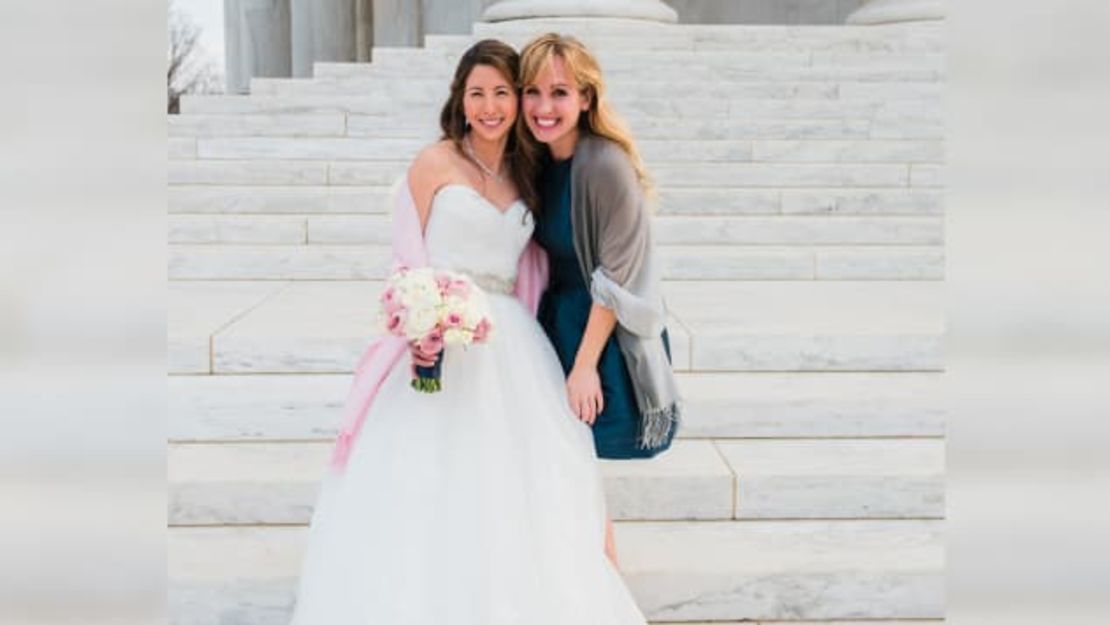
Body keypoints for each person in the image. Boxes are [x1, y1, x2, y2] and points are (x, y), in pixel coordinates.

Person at [288, 39, 648, 625]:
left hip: (513, 342)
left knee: (523, 486)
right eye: (477, 93)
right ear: (460, 99)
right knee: (426, 483)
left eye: (502, 93)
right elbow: (406, 258)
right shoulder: (433, 164)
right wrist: (419, 320)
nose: (490, 106)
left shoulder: (530, 172)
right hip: (440, 340)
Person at [519, 33, 682, 566]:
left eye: (560, 93)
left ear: (586, 98)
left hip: (598, 333)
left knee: (576, 466)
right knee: (563, 467)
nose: (545, 108)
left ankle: (602, 585)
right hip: (555, 322)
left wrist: (585, 366)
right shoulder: (538, 163)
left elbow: (615, 279)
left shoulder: (604, 164)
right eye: (533, 92)